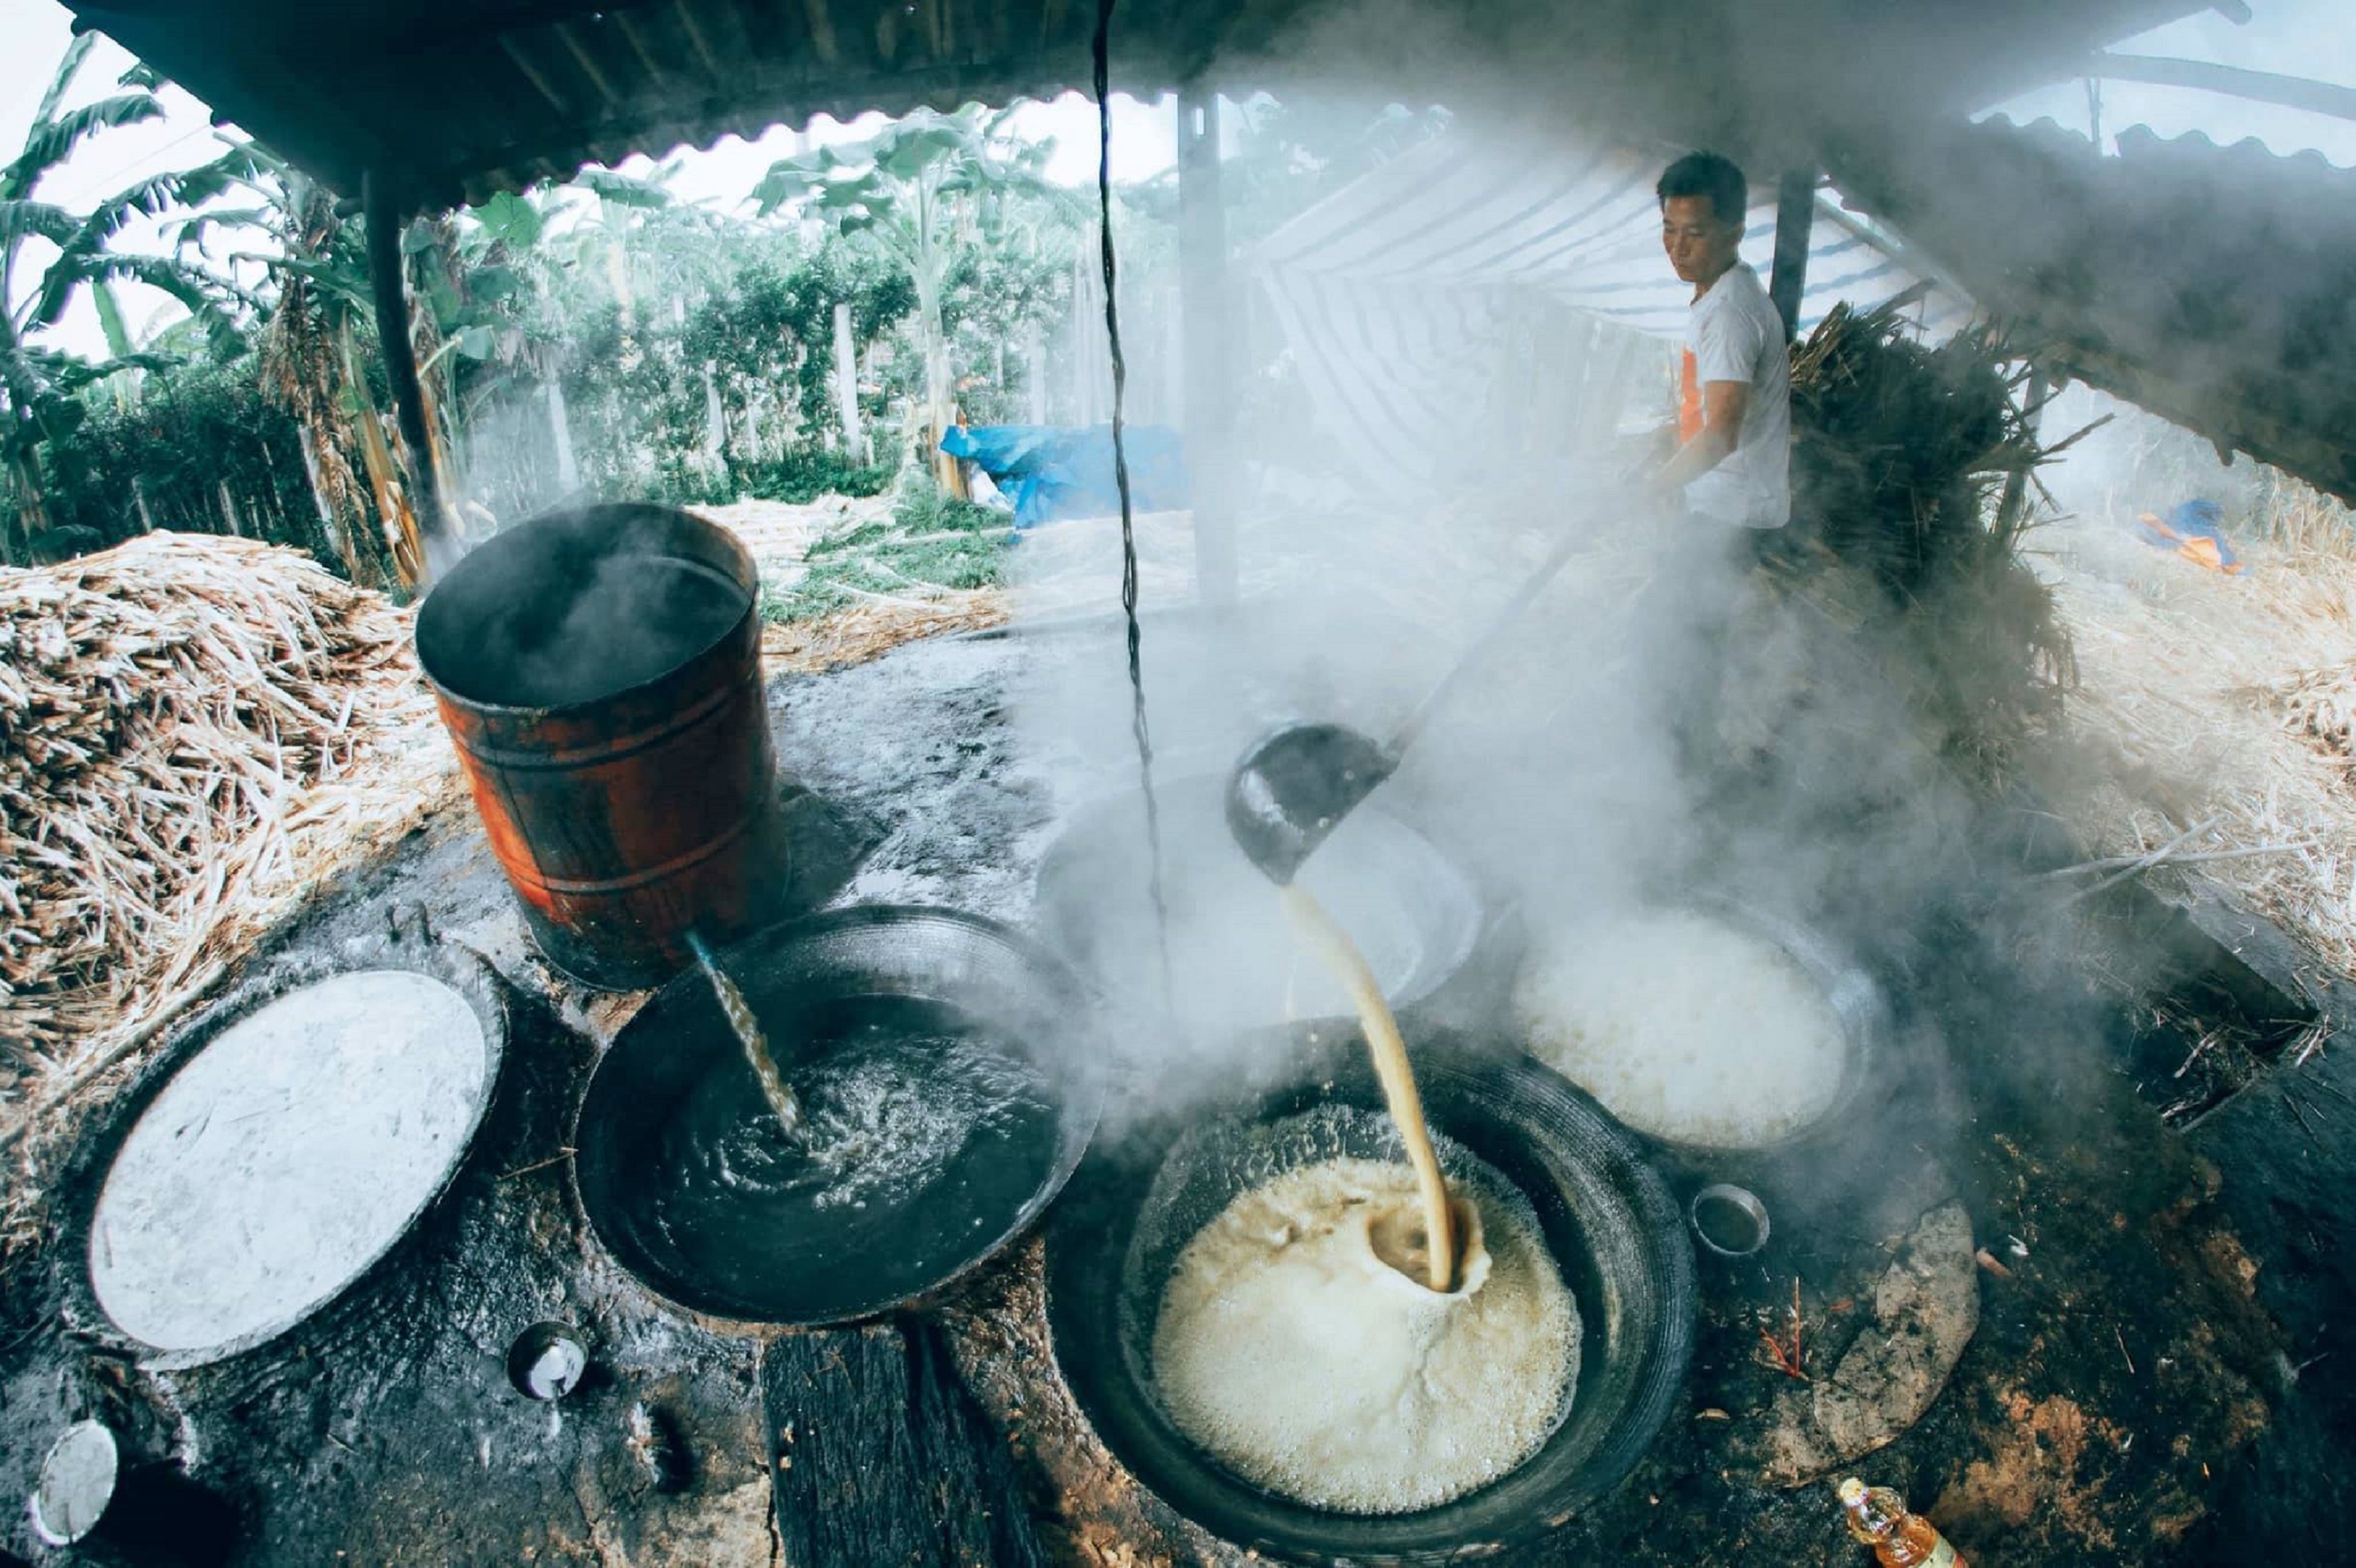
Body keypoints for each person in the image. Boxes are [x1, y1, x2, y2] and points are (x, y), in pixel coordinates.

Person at [1646, 151, 1792, 543]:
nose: (1677, 248)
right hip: (1724, 504)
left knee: (1668, 606)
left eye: (1694, 234)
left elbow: (1722, 435)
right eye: (1669, 229)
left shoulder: (1730, 314)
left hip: (1732, 514)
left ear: (1735, 233)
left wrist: (1647, 493)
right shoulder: (1722, 293)